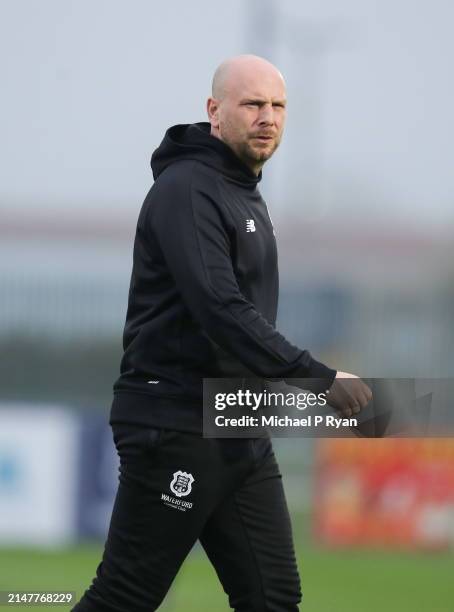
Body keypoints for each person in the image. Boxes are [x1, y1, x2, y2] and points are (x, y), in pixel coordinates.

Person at [72, 54, 372, 612]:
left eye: (278, 106)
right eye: (253, 104)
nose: (268, 117)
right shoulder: (188, 189)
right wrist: (316, 377)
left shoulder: (242, 189)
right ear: (215, 111)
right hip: (179, 422)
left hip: (238, 419)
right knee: (124, 596)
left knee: (272, 597)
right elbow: (219, 307)